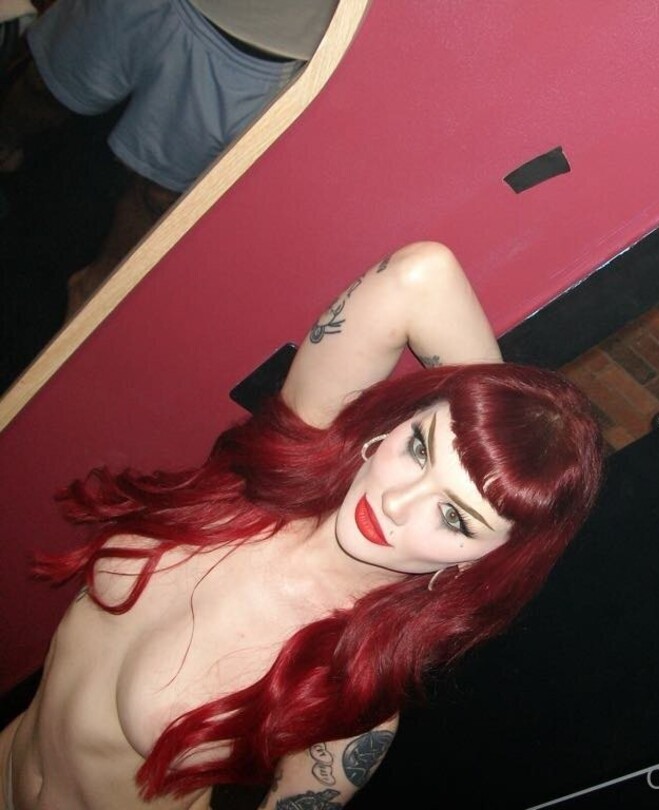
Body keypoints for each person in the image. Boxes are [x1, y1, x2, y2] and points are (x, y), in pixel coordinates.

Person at [0, 241, 605, 809]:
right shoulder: (279, 472)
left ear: (482, 562)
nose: (396, 503)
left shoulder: (349, 693)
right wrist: (499, 418)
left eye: (453, 515)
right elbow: (421, 276)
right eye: (420, 449)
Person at [0, 0, 338, 318]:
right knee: (41, 89)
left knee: (157, 198)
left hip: (273, 47)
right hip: (160, 7)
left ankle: (88, 311)